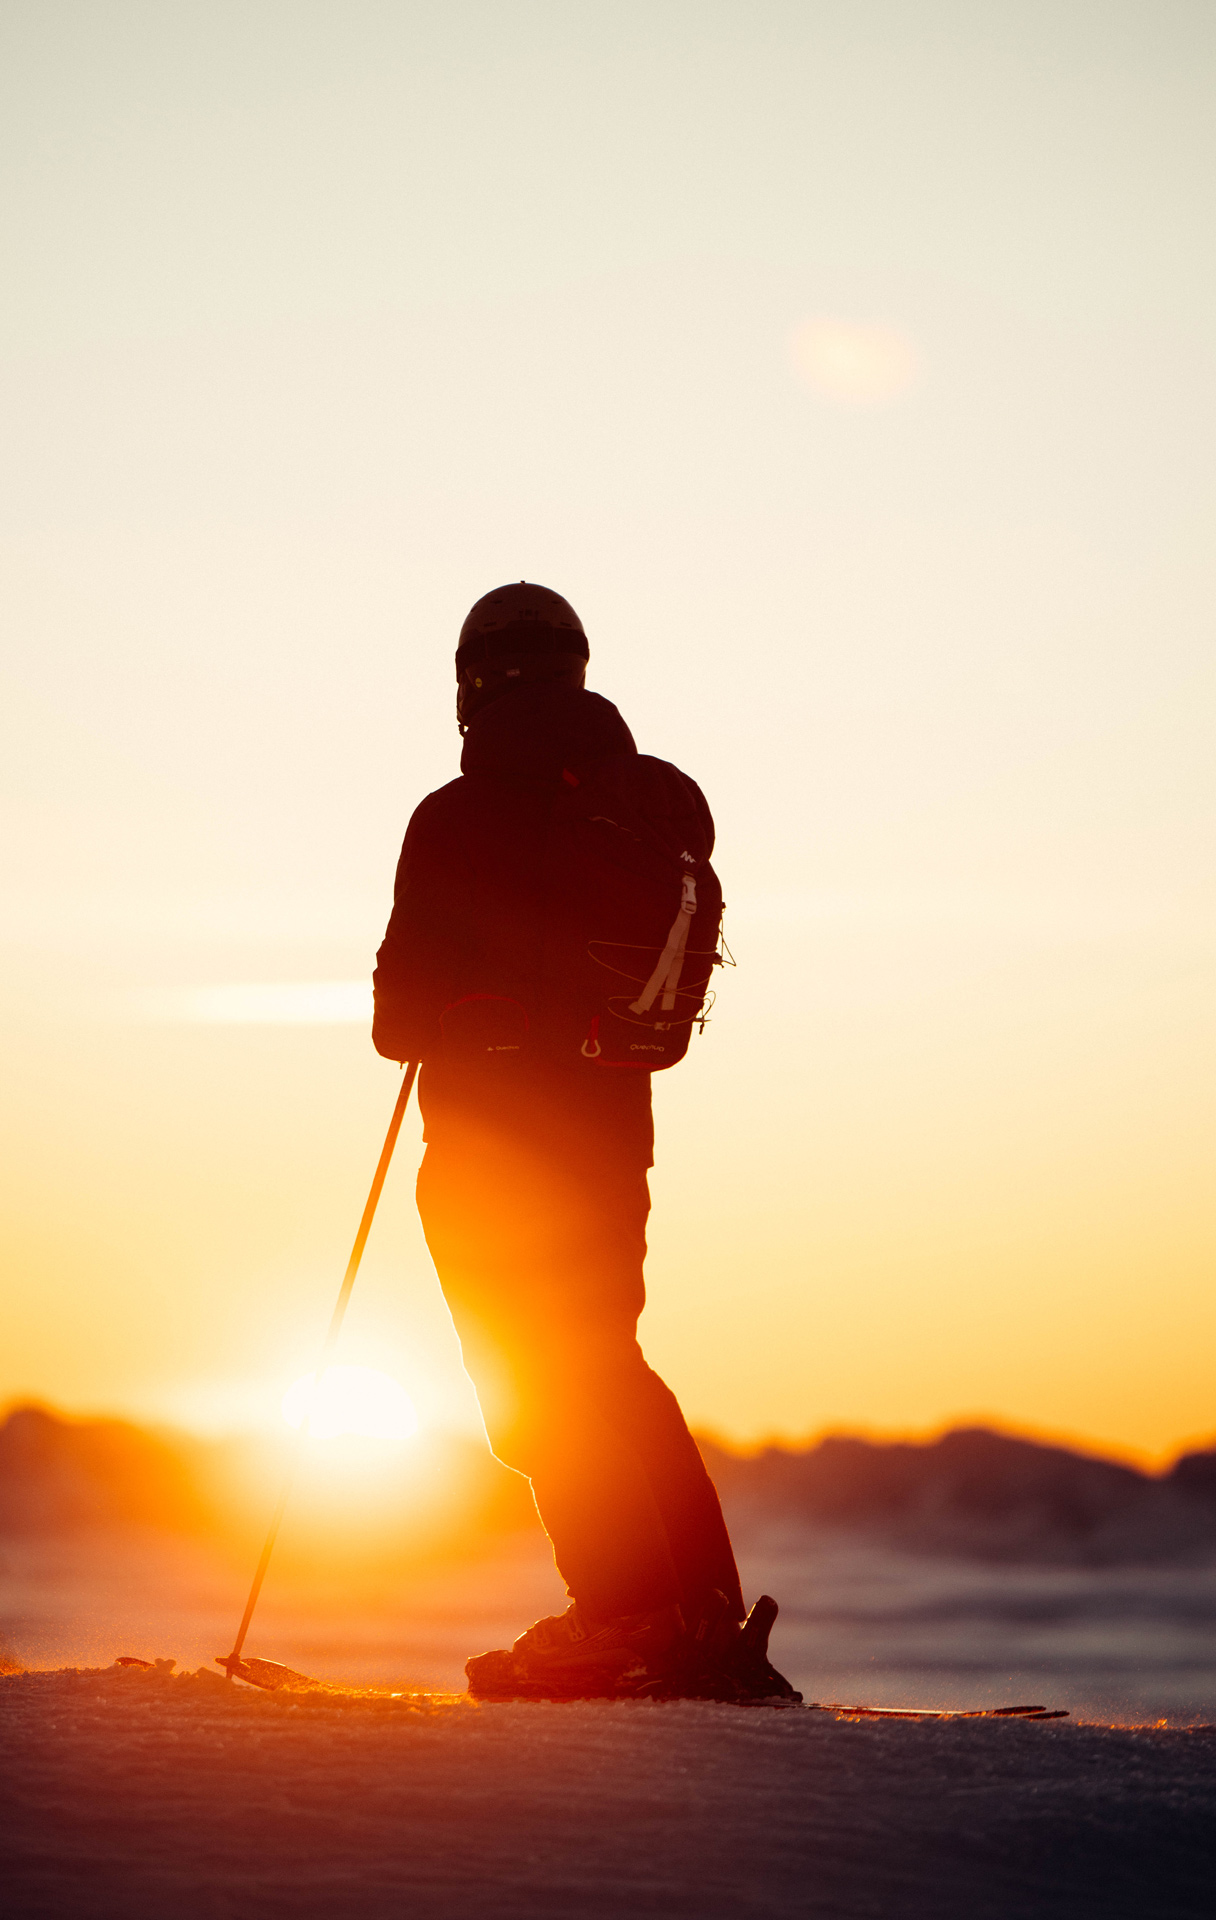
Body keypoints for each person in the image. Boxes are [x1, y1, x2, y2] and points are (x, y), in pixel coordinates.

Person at [372, 581, 798, 1702]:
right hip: (612, 1140)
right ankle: (695, 1612)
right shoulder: (652, 801)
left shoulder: (455, 816)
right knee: (607, 1363)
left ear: (471, 682)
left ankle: (620, 1620)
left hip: (487, 1150)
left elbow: (394, 1019)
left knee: (535, 1379)